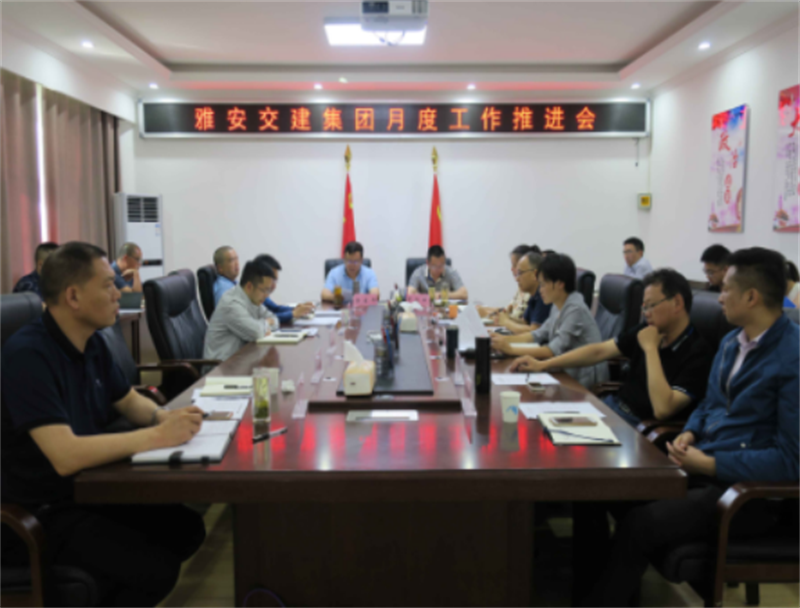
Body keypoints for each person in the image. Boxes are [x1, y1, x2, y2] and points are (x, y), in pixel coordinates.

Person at [579, 247, 800, 608]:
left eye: (725, 289)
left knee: (640, 524)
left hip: (748, 495)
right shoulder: (731, 343)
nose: (718, 296)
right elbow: (709, 404)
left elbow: (791, 460)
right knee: (603, 493)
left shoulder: (793, 357)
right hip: (703, 466)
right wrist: (690, 432)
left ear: (751, 297)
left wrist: (711, 465)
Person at [0, 242, 206, 608]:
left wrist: (163, 417)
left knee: (185, 529)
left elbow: (127, 400)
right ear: (73, 296)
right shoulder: (27, 355)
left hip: (86, 489)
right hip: (38, 510)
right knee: (155, 569)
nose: (119, 293)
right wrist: (157, 436)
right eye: (109, 284)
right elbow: (64, 455)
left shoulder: (91, 342)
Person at [511, 268, 713, 428]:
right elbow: (599, 351)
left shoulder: (698, 352)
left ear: (677, 303)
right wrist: (543, 364)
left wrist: (651, 350)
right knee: (540, 421)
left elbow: (663, 409)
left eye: (651, 305)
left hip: (639, 427)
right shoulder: (648, 329)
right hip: (612, 408)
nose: (646, 313)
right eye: (644, 307)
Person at [492, 253, 608, 389]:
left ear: (560, 284)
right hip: (564, 372)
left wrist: (511, 349)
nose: (540, 289)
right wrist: (502, 340)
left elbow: (552, 351)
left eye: (543, 284)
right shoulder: (557, 304)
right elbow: (537, 334)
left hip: (583, 382)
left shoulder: (576, 310)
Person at [204, 260, 277, 361]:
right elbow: (257, 332)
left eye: (268, 290)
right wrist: (266, 323)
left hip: (238, 360)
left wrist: (262, 326)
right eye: (264, 290)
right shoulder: (231, 304)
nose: (266, 295)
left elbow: (274, 320)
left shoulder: (252, 299)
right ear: (249, 286)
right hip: (220, 366)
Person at [492, 251, 551, 334]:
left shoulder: (544, 295)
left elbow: (535, 331)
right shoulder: (534, 295)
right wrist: (506, 317)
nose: (517, 279)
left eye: (520, 273)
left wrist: (506, 322)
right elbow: (525, 323)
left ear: (535, 274)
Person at [477, 244, 539, 319]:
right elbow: (507, 310)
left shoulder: (530, 291)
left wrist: (487, 314)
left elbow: (516, 317)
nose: (511, 269)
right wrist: (485, 309)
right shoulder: (521, 288)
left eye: (514, 265)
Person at [253, 254, 315, 323]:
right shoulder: (252, 295)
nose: (274, 286)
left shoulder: (263, 295)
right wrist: (293, 314)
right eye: (272, 280)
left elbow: (275, 309)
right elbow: (265, 319)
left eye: (275, 281)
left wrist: (296, 309)